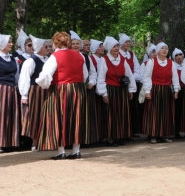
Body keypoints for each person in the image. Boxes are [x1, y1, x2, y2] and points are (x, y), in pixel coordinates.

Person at [36, 31, 89, 159]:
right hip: (78, 89)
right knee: (76, 118)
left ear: (56, 43)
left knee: (59, 118)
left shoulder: (55, 56)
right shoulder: (80, 56)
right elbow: (85, 75)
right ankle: (76, 150)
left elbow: (46, 74)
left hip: (60, 90)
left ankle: (61, 151)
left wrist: (43, 84)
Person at [96, 36, 136, 146]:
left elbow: (129, 75)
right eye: (114, 46)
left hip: (121, 90)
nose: (116, 48)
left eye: (117, 46)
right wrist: (104, 93)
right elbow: (101, 77)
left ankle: (120, 135)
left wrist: (131, 90)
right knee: (111, 114)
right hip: (110, 89)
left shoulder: (122, 59)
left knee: (122, 113)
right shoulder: (104, 60)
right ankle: (110, 137)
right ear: (109, 48)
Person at [141, 43, 180, 143]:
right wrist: (148, 91)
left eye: (166, 48)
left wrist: (176, 90)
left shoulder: (171, 63)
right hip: (155, 89)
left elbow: (175, 78)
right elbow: (147, 77)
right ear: (158, 51)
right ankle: (153, 135)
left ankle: (164, 135)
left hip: (166, 90)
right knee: (154, 112)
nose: (164, 50)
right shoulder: (151, 62)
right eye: (162, 48)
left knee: (165, 112)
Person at [19, 36, 52, 149]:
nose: (48, 48)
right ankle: (35, 142)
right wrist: (24, 95)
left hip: (48, 91)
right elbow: (24, 78)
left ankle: (46, 141)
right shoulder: (30, 61)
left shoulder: (49, 60)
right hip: (36, 91)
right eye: (45, 46)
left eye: (49, 46)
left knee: (48, 115)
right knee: (35, 115)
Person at [119, 34, 143, 136]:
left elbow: (137, 68)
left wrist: (132, 77)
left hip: (132, 82)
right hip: (122, 84)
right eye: (126, 42)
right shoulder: (118, 54)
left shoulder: (132, 55)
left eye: (129, 42)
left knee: (133, 107)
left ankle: (132, 131)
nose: (128, 44)